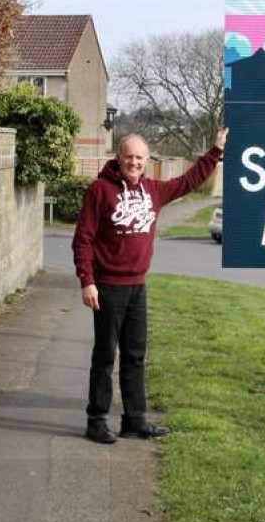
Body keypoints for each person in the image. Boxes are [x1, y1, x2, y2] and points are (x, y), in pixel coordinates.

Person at [72, 128, 228, 444]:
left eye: (139, 158)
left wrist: (215, 150)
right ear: (118, 158)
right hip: (107, 287)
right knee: (105, 355)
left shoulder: (153, 191)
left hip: (137, 285)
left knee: (135, 354)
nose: (134, 162)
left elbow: (188, 181)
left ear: (146, 161)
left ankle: (134, 419)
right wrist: (87, 282)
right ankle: (96, 419)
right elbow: (83, 240)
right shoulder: (100, 191)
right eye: (128, 156)